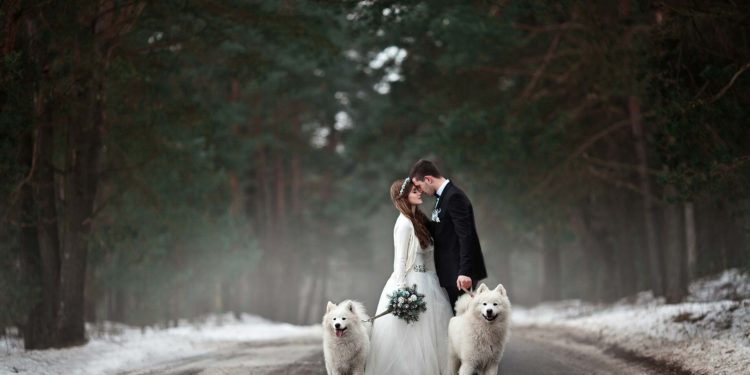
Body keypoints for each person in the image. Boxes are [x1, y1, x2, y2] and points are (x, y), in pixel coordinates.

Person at [365, 178, 453, 375]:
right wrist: (402, 291)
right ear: (403, 197)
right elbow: (400, 260)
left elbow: (429, 257)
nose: (419, 192)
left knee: (433, 336)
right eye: (414, 191)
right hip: (410, 283)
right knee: (412, 340)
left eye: (418, 189)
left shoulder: (418, 222)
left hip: (429, 282)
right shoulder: (404, 224)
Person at [410, 159, 487, 313]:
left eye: (419, 186)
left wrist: (464, 271)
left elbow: (466, 236)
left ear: (428, 179)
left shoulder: (454, 197)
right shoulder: (442, 197)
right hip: (450, 270)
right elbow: (439, 230)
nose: (420, 191)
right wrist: (414, 214)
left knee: (462, 322)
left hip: (460, 274)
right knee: (456, 321)